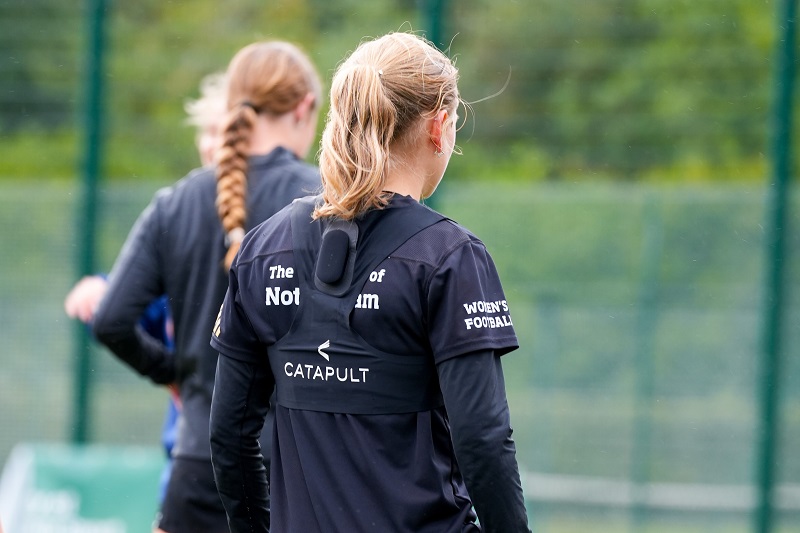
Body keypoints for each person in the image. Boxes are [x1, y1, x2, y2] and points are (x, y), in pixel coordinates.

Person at [209, 31, 531, 533]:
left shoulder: (262, 247)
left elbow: (229, 434)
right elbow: (484, 440)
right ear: (440, 126)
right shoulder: (449, 256)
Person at [91, 40, 322, 533]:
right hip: (296, 478)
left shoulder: (174, 203)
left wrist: (177, 374)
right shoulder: (326, 200)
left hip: (197, 473)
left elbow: (111, 321)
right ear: (304, 109)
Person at [64, 69, 228, 510]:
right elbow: (135, 314)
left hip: (257, 459)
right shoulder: (182, 218)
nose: (212, 144)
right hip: (189, 456)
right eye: (207, 132)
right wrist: (104, 291)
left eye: (224, 131)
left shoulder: (276, 228)